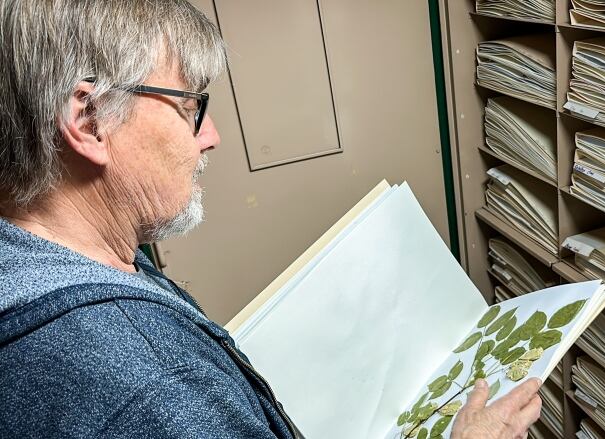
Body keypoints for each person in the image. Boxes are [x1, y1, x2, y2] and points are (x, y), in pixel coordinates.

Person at [0, 1, 542, 438]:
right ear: (90, 120)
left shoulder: (37, 257)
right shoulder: (158, 388)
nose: (209, 136)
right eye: (191, 107)